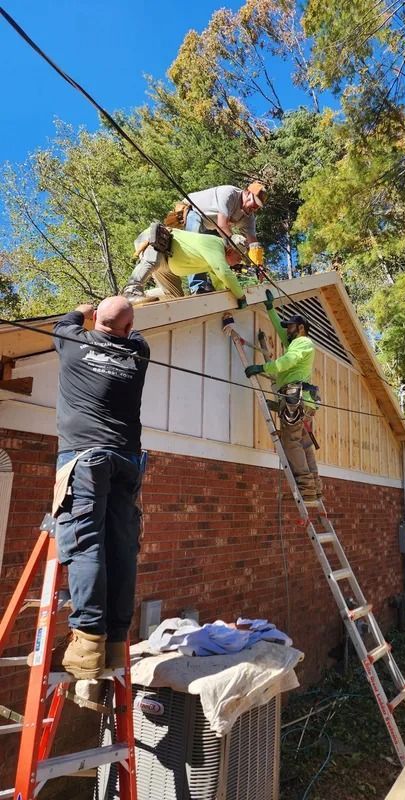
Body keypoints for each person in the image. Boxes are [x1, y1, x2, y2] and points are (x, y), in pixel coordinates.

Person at [51, 297, 149, 679]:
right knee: (122, 546)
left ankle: (89, 641)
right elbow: (132, 332)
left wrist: (81, 309)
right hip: (126, 461)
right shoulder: (138, 353)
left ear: (95, 322)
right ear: (127, 328)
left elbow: (67, 320)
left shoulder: (73, 344)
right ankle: (115, 640)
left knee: (85, 542)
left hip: (84, 459)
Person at [245, 290, 323, 502]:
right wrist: (270, 309)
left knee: (291, 442)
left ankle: (306, 488)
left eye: (290, 327)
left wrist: (262, 366)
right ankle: (314, 487)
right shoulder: (296, 342)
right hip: (303, 401)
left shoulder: (302, 343)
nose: (286, 330)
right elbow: (280, 329)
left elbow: (286, 362)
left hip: (295, 400)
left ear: (300, 328)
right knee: (304, 444)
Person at [122, 224, 248, 307]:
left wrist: (225, 298)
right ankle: (131, 292)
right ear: (231, 250)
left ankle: (144, 296)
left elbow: (220, 282)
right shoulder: (215, 244)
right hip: (156, 242)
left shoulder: (215, 259)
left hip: (167, 264)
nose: (239, 262)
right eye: (239, 257)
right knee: (153, 260)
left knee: (175, 298)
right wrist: (241, 296)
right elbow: (223, 272)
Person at [183, 183, 267, 294]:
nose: (255, 208)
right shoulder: (229, 194)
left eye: (258, 206)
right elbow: (222, 225)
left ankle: (220, 287)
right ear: (247, 193)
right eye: (255, 202)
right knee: (194, 244)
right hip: (196, 213)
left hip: (212, 225)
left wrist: (258, 265)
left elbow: (253, 243)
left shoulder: (248, 217)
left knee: (220, 253)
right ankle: (197, 287)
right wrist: (234, 241)